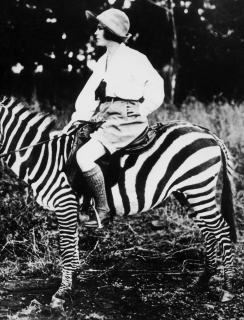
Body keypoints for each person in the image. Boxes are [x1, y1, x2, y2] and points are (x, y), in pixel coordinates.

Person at [66, 8, 164, 228]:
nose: (96, 32)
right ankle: (83, 202)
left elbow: (156, 86)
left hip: (127, 120)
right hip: (108, 115)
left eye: (100, 28)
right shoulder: (103, 61)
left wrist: (140, 110)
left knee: (85, 156)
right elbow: (89, 95)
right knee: (75, 140)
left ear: (111, 32)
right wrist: (77, 119)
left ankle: (103, 209)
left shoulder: (135, 58)